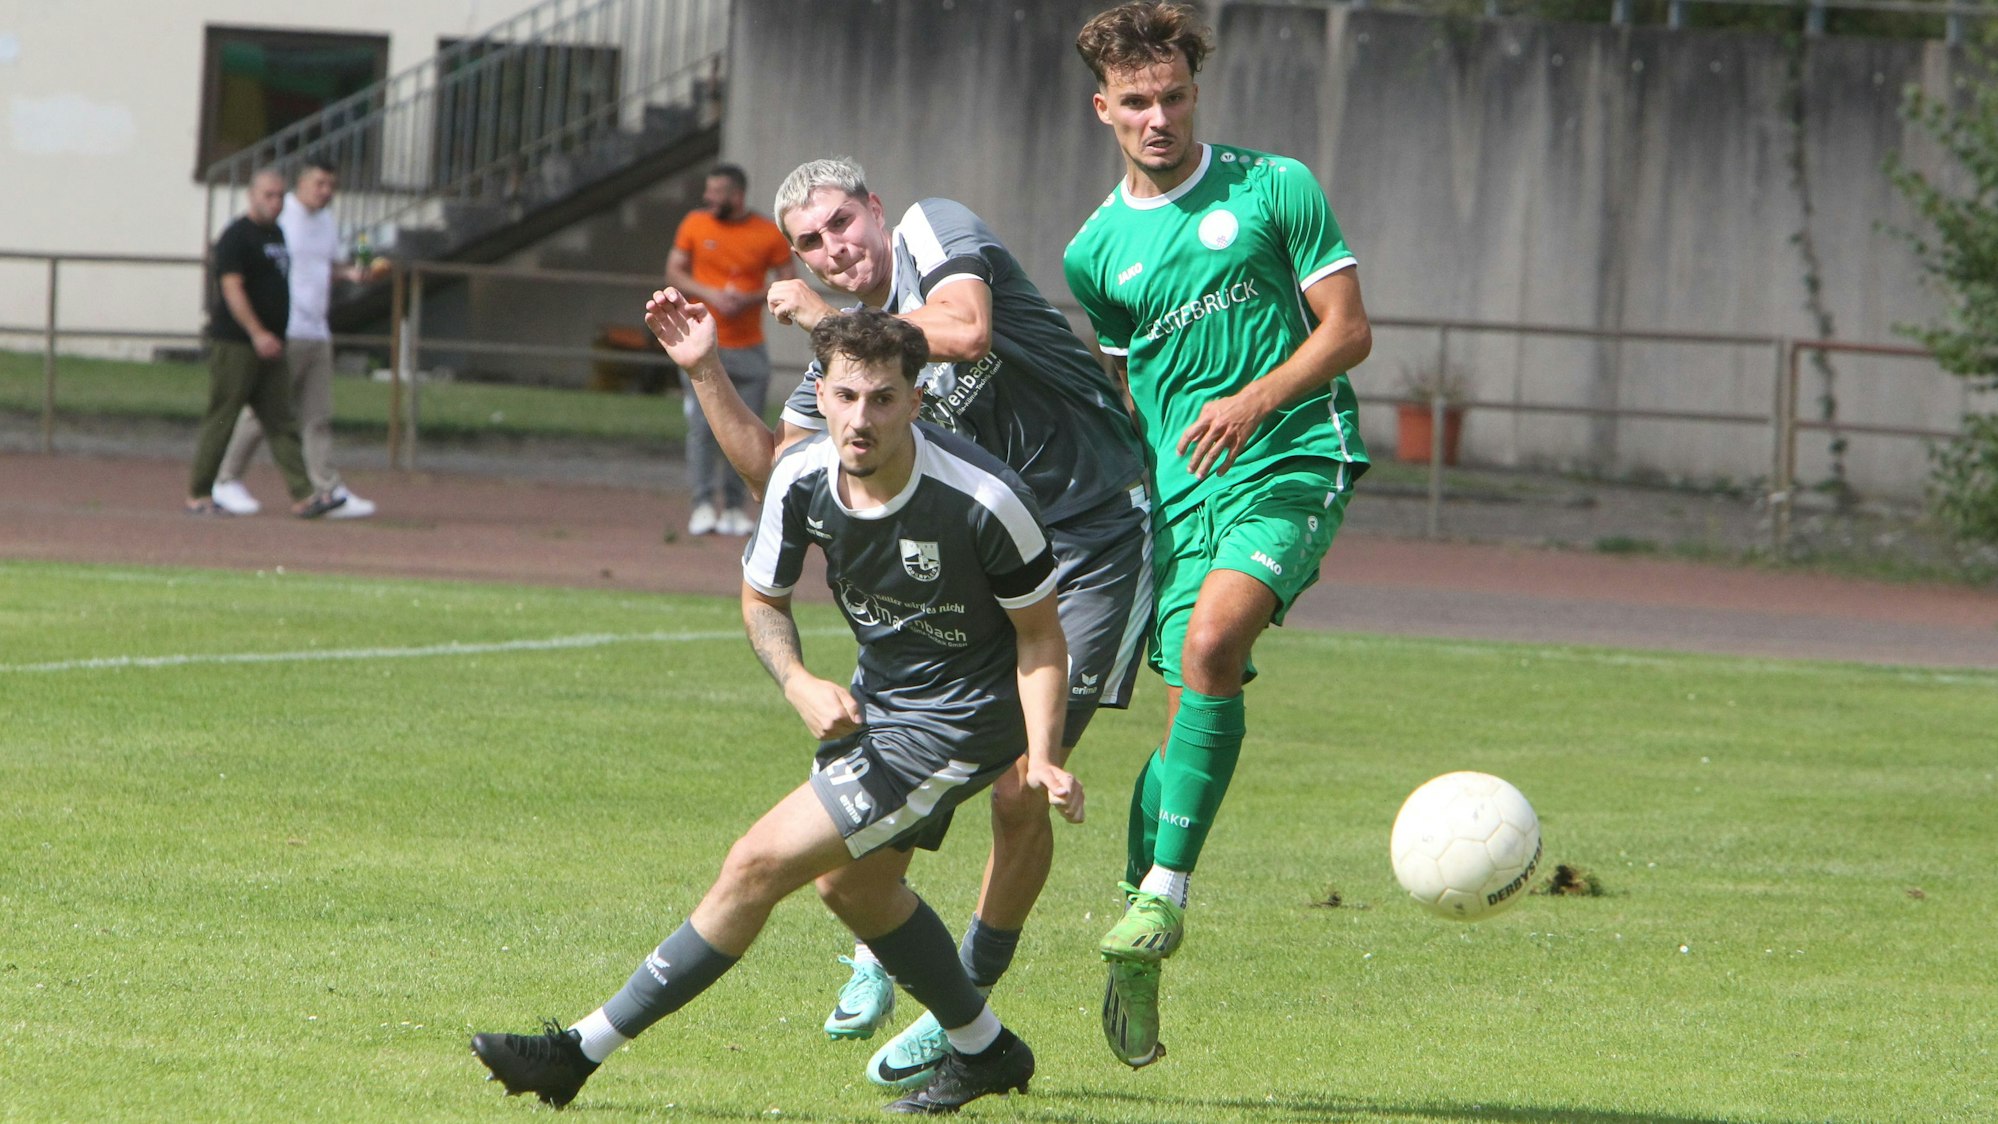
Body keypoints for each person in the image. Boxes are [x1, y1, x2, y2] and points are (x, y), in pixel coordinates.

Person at [471, 304, 1082, 1115]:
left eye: (885, 398)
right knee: (851, 890)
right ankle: (986, 1050)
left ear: (917, 401)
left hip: (964, 717)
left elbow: (1041, 639)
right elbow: (763, 600)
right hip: (882, 705)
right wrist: (797, 681)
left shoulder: (982, 498)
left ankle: (577, 1052)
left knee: (755, 863)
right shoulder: (801, 476)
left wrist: (1041, 756)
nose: (862, 418)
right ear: (821, 395)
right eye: (847, 396)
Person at [672, 157, 1152, 1089]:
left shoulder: (934, 232)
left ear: (876, 210)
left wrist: (825, 324)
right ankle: (891, 954)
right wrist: (704, 376)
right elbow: (780, 478)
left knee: (1020, 788)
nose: (832, 249)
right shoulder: (851, 368)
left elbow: (967, 332)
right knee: (902, 740)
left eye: (842, 223)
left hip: (1093, 531)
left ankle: (963, 1001)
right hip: (984, 555)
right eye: (809, 244)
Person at [1063, 0, 1373, 1068]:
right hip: (1181, 501)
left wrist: (1251, 400)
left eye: (1175, 97)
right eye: (1137, 102)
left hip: (1295, 458)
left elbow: (1350, 329)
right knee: (1186, 702)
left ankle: (1164, 892)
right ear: (1105, 109)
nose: (1160, 117)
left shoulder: (1275, 185)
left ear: (1197, 95)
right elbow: (1125, 387)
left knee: (1210, 650)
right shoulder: (1096, 251)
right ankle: (1135, 922)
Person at [210, 159, 379, 518]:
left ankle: (327, 488)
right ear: (300, 185)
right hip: (288, 329)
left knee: (318, 415)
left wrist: (352, 273)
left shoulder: (327, 223)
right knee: (265, 412)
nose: (326, 191)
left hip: (318, 329)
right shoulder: (283, 220)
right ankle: (225, 478)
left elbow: (326, 268)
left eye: (330, 184)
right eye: (319, 183)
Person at [187, 168, 345, 519]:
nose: (274, 202)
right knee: (224, 416)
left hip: (274, 343)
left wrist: (273, 334)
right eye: (268, 195)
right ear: (252, 195)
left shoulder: (276, 234)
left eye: (278, 195)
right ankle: (200, 492)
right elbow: (232, 289)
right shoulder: (236, 237)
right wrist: (256, 332)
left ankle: (305, 495)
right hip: (239, 343)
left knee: (281, 420)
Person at [665, 163, 795, 536]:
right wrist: (711, 295)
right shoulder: (695, 224)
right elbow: (674, 272)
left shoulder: (766, 233)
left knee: (749, 429)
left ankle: (737, 507)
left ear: (736, 195)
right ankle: (703, 504)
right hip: (702, 347)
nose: (708, 198)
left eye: (716, 192)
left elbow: (788, 282)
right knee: (702, 429)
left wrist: (751, 298)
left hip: (749, 347)